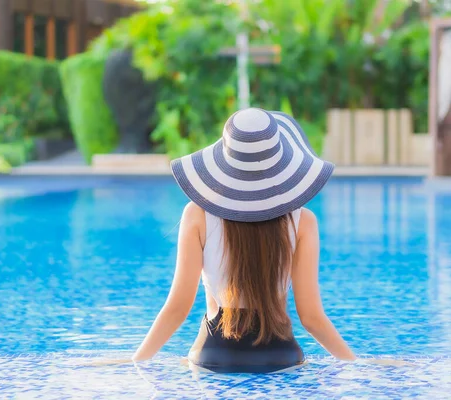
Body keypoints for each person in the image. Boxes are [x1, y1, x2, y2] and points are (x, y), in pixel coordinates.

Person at [131, 108, 356, 373]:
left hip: (214, 356)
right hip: (279, 355)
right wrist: (355, 364)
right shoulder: (303, 222)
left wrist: (136, 362)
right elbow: (311, 317)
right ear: (280, 162)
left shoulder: (197, 215)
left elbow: (178, 308)